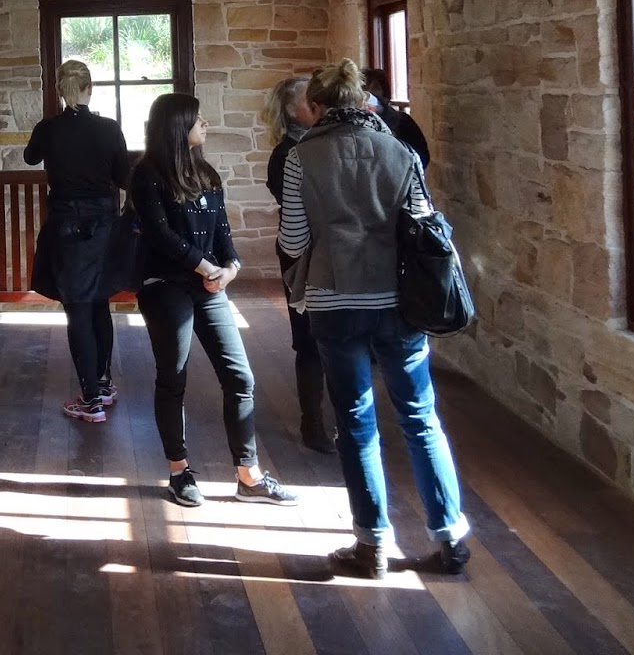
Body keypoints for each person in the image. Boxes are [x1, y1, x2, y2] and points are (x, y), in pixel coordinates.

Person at [279, 59, 470, 579]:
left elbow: (293, 239)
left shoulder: (301, 157)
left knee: (356, 422)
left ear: (317, 106)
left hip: (334, 300)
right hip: (397, 300)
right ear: (361, 101)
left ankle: (372, 544)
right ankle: (450, 537)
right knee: (420, 417)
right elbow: (423, 225)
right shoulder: (399, 151)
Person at [129, 93, 297, 507]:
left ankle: (248, 476)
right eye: (197, 119)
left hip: (208, 287)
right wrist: (207, 268)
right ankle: (179, 470)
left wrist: (232, 268)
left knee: (240, 378)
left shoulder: (205, 173)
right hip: (165, 286)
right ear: (176, 125)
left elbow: (223, 232)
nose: (205, 124)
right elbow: (160, 235)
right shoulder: (147, 174)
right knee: (174, 377)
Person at [24, 60, 130, 423]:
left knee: (78, 309)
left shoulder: (48, 129)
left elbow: (30, 157)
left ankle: (91, 400)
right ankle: (103, 384)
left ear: (59, 90)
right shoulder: (109, 128)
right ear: (90, 88)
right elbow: (124, 178)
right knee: (99, 303)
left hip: (67, 227)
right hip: (104, 226)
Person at [261, 75, 335, 454]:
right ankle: (312, 422)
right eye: (309, 99)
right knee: (309, 340)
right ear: (292, 110)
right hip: (302, 256)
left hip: (330, 252)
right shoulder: (285, 156)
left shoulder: (323, 146)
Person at [362, 66, 430, 168]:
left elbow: (422, 157)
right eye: (365, 90)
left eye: (375, 88)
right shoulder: (353, 125)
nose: (369, 95)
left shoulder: (402, 122)